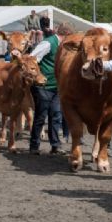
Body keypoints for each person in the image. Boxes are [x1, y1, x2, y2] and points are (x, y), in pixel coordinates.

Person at [26, 23, 74, 155]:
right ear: (66, 36)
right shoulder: (48, 43)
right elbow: (32, 58)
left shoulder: (63, 45)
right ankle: (34, 146)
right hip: (43, 86)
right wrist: (38, 76)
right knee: (41, 116)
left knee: (56, 115)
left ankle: (55, 146)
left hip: (57, 86)